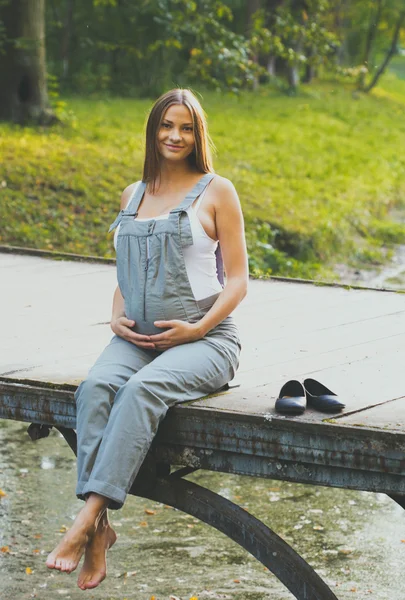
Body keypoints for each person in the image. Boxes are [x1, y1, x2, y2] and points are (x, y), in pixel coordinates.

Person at [45, 88, 248, 590]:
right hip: (137, 337)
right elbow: (127, 273)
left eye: (185, 128)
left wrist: (199, 328)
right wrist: (117, 316)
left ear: (198, 135)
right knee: (93, 390)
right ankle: (101, 532)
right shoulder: (132, 196)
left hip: (207, 340)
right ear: (152, 131)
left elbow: (240, 280)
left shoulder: (216, 190)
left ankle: (83, 524)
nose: (174, 136)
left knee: (139, 393)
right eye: (165, 126)